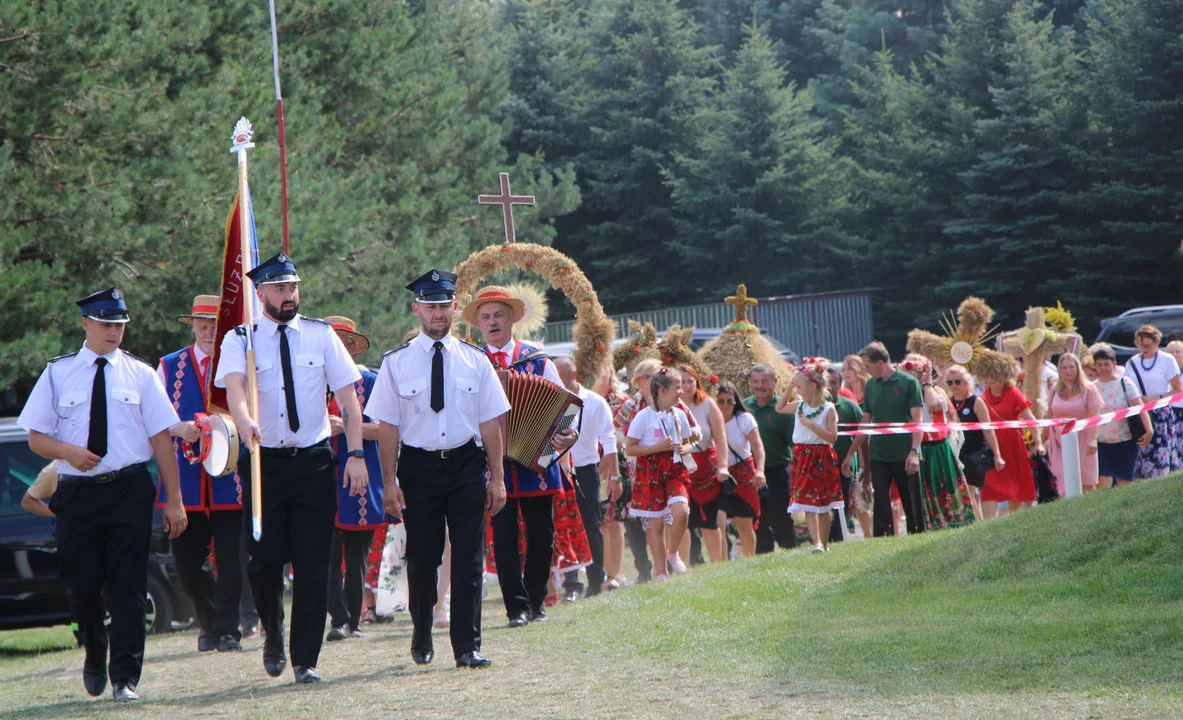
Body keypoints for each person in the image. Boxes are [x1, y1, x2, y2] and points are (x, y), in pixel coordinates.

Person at [19, 287, 187, 702]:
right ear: (85, 324)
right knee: (83, 585)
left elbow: (162, 440)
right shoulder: (58, 373)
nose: (115, 332)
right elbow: (37, 437)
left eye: (120, 325)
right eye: (107, 324)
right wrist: (68, 452)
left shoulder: (142, 374)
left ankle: (124, 677)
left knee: (128, 585)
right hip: (77, 494)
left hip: (129, 489)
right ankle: (95, 653)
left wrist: (175, 499)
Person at [214, 253, 368, 684]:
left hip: (315, 462)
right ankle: (273, 632)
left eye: (293, 287)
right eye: (279, 289)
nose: (288, 296)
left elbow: (351, 406)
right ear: (260, 293)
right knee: (263, 562)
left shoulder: (321, 336)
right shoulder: (240, 338)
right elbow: (236, 393)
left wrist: (355, 457)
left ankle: (305, 659)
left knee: (314, 564)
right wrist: (244, 422)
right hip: (265, 461)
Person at [366, 269, 508, 669]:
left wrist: (496, 478)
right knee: (424, 560)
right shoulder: (396, 363)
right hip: (418, 469)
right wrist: (389, 482)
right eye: (430, 306)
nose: (438, 313)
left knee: (468, 558)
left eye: (445, 305)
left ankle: (467, 646)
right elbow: (388, 428)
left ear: (455, 308)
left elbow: (491, 424)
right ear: (417, 309)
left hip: (465, 464)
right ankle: (422, 629)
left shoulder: (475, 360)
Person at [464, 286, 577, 627]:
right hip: (489, 465)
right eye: (485, 317)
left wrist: (568, 434)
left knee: (543, 534)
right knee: (503, 536)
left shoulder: (537, 359)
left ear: (512, 319)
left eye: (499, 315)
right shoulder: (470, 362)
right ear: (479, 324)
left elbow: (565, 405)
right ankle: (516, 608)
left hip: (536, 459)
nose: (492, 322)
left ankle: (536, 600)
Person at [156, 294, 246, 654]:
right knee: (187, 562)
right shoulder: (168, 365)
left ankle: (227, 630)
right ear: (192, 325)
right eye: (204, 324)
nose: (210, 331)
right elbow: (154, 420)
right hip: (185, 480)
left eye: (216, 325)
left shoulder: (237, 366)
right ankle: (208, 622)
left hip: (231, 478)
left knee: (232, 560)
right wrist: (179, 428)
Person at [324, 316, 385, 642]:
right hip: (320, 475)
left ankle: (355, 619)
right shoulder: (309, 381)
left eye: (342, 343)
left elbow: (383, 430)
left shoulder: (369, 382)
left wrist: (347, 427)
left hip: (360, 475)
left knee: (356, 553)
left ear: (352, 348)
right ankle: (338, 619)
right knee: (326, 553)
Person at [843, 342, 926, 537]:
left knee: (910, 499)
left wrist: (914, 452)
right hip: (879, 452)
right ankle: (883, 538)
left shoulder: (908, 383)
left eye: (867, 366)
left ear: (880, 362)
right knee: (880, 497)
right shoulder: (871, 385)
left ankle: (918, 537)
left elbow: (918, 420)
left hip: (904, 452)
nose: (865, 370)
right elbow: (866, 420)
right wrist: (850, 453)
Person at [554, 356, 618, 600]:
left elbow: (609, 440)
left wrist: (615, 476)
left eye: (560, 378)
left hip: (586, 470)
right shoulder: (550, 401)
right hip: (558, 470)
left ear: (573, 376)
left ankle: (594, 580)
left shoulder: (594, 402)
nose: (556, 383)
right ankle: (572, 584)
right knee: (563, 526)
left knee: (591, 525)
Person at [624, 368, 697, 579]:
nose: (681, 392)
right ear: (663, 390)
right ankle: (660, 572)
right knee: (656, 525)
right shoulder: (644, 417)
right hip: (651, 472)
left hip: (674, 470)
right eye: (677, 388)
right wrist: (656, 447)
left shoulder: (679, 414)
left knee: (681, 511)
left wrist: (685, 449)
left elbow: (687, 443)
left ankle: (672, 553)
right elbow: (630, 449)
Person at [898, 355, 975, 529]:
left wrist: (926, 383)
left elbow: (933, 406)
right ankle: (928, 524)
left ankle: (954, 521)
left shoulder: (934, 391)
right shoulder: (906, 394)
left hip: (937, 448)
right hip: (918, 448)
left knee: (943, 486)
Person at [778, 360, 842, 552]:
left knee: (822, 502)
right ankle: (817, 543)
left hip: (820, 455)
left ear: (812, 387)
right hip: (801, 455)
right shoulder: (800, 405)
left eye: (798, 386)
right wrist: (789, 386)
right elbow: (779, 408)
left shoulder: (828, 409)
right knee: (806, 501)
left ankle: (824, 542)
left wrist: (811, 425)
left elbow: (833, 437)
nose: (796, 389)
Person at [977, 356, 1043, 518]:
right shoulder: (983, 397)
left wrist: (1038, 443)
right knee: (991, 487)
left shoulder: (1013, 393)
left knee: (1016, 487)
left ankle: (1016, 519)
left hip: (1014, 445)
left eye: (992, 375)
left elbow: (1030, 419)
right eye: (985, 375)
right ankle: (990, 524)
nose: (988, 379)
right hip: (993, 448)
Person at [678, 365, 728, 564]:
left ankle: (716, 564)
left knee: (709, 520)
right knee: (681, 521)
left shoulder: (707, 404)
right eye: (682, 382)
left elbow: (721, 438)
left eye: (691, 381)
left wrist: (723, 466)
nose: (687, 386)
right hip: (679, 469)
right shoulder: (668, 406)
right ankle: (682, 566)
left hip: (707, 469)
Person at [744, 364, 797, 552]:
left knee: (780, 515)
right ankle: (763, 556)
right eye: (756, 381)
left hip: (777, 471)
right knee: (758, 517)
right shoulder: (743, 407)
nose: (760, 386)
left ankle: (789, 550)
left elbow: (794, 444)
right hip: (750, 472)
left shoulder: (783, 410)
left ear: (775, 382)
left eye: (765, 381)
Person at [943, 365, 1002, 520]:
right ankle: (969, 521)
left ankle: (975, 523)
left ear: (966, 382)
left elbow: (988, 430)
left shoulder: (976, 402)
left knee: (970, 489)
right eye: (950, 383)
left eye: (957, 381)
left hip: (975, 453)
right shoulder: (948, 403)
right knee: (959, 491)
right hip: (957, 453)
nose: (954, 386)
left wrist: (997, 455)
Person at [1124, 325, 1183, 479]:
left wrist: (1156, 398)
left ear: (1157, 343)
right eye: (1140, 345)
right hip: (1139, 414)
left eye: (1147, 345)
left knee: (1161, 457)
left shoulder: (1167, 360)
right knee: (1140, 457)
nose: (1144, 348)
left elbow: (1178, 390)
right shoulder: (1132, 363)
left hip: (1161, 414)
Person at [1092, 343, 1153, 488]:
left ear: (1113, 364)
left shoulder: (1125, 383)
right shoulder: (1092, 387)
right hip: (1101, 442)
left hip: (1125, 440)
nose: (1103, 368)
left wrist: (1149, 430)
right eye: (1099, 365)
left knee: (1125, 482)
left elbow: (1140, 408)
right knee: (1103, 482)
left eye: (1106, 364)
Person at [717, 381, 767, 556]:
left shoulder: (744, 419)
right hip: (718, 475)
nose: (725, 405)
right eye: (720, 401)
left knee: (745, 525)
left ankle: (749, 560)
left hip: (742, 473)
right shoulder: (710, 420)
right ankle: (720, 565)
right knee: (718, 525)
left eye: (729, 401)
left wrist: (760, 470)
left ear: (735, 401)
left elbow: (758, 446)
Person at [1045, 353, 1104, 496]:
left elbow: (1094, 416)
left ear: (1078, 368)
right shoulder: (1054, 390)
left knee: (1086, 481)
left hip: (1083, 438)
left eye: (1071, 367)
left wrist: (1092, 440)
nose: (1068, 371)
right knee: (1062, 480)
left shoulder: (1089, 389)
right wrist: (1040, 442)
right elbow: (1049, 416)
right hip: (1059, 441)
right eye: (1064, 367)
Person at [600, 363, 636, 590]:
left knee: (615, 521)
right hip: (589, 465)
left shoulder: (622, 402)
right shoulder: (581, 399)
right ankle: (607, 573)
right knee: (601, 523)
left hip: (616, 466)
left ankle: (616, 573)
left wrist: (606, 465)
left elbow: (622, 437)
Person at [825, 366, 866, 541]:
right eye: (826, 383)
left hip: (843, 463)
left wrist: (852, 457)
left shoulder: (849, 407)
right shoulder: (812, 406)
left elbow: (862, 433)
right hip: (820, 464)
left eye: (833, 383)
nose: (829, 387)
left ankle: (840, 538)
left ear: (840, 384)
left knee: (841, 502)